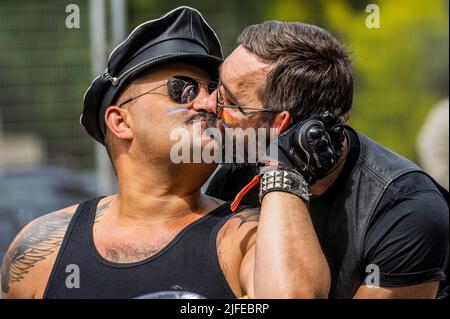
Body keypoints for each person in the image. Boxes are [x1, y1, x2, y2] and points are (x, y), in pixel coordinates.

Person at [0, 7, 330, 299]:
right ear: (120, 121)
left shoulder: (245, 235)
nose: (208, 103)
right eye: (182, 89)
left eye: (213, 90)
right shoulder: (43, 247)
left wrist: (282, 167)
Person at [200, 21, 449, 298]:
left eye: (228, 101)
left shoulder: (406, 208)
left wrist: (282, 173)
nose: (209, 104)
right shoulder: (234, 171)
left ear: (279, 127)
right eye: (216, 87)